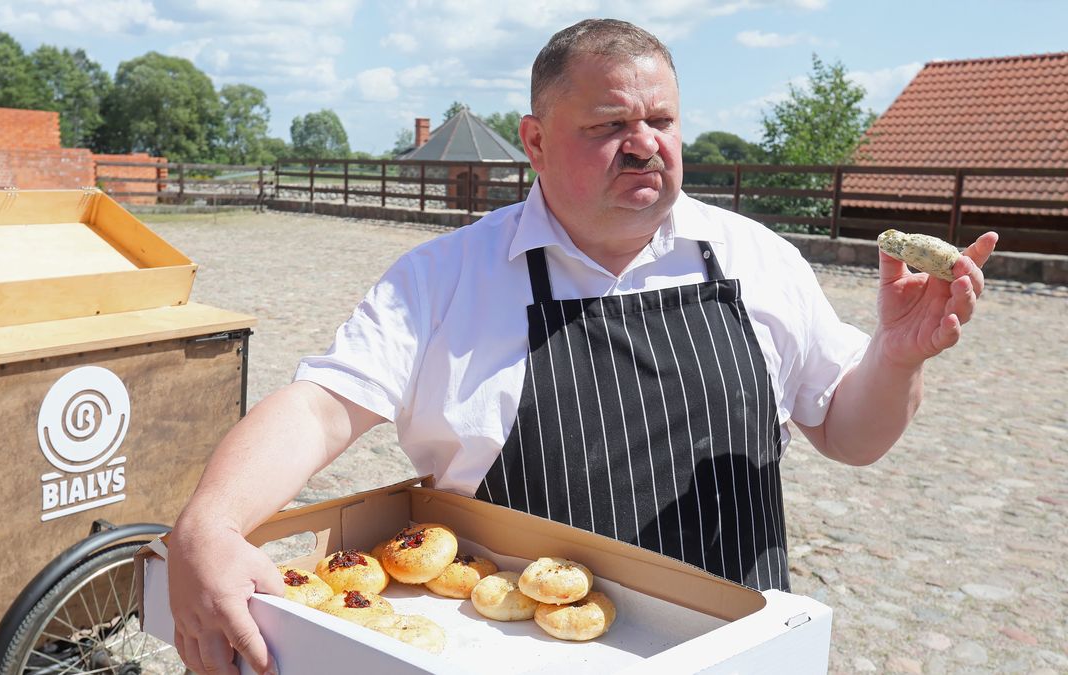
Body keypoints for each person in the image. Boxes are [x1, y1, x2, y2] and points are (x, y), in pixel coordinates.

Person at [167, 18, 997, 674]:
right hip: (512, 653)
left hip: (740, 650)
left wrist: (896, 356)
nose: (645, 144)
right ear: (533, 140)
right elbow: (317, 409)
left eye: (662, 120)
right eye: (610, 123)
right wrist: (208, 523)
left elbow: (851, 436)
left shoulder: (754, 257)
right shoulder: (447, 277)